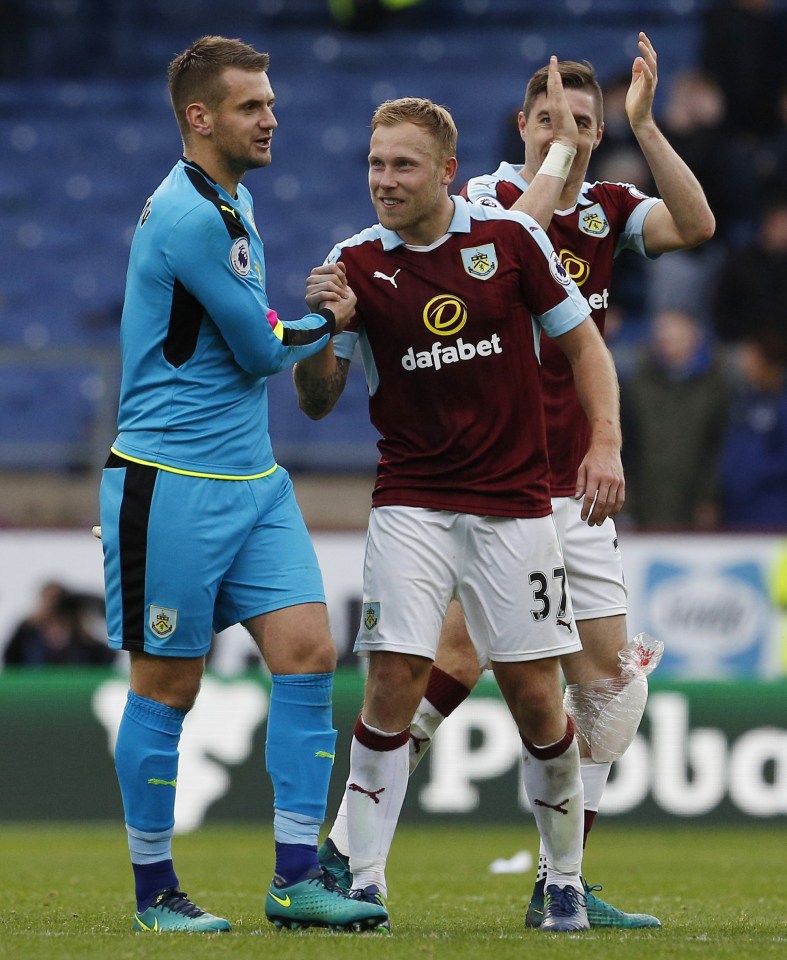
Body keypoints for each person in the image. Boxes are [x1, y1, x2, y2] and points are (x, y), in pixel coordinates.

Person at [316, 35, 714, 930]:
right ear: (519, 127)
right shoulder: (491, 200)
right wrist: (559, 160)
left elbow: (693, 227)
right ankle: (348, 850)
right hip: (486, 476)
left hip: (574, 482)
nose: (561, 135)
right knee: (445, 664)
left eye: (579, 123)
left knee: (608, 684)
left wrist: (644, 131)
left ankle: (556, 877)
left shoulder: (611, 209)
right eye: (546, 121)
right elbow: (509, 238)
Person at [294, 93, 626, 932]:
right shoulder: (354, 262)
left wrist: (605, 445)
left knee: (535, 700)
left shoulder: (507, 240)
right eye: (375, 164)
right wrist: (329, 332)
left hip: (515, 506)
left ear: (446, 172)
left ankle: (561, 878)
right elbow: (315, 404)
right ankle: (362, 880)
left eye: (402, 165)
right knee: (392, 679)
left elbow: (583, 343)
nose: (384, 181)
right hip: (409, 502)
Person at [97, 35, 387, 934]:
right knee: (168, 686)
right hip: (171, 481)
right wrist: (325, 317)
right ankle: (155, 895)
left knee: (307, 651)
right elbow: (261, 349)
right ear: (200, 117)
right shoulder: (188, 217)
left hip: (254, 479)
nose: (272, 116)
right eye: (252, 105)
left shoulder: (234, 200)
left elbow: (248, 332)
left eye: (269, 101)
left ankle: (296, 879)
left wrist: (290, 318)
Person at [621, 308, 731, 530]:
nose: (667, 339)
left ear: (694, 337)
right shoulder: (636, 386)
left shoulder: (717, 387)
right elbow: (626, 449)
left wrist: (709, 497)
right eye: (662, 334)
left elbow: (719, 447)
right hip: (645, 501)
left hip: (695, 504)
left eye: (675, 333)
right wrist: (625, 504)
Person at [718, 328, 787, 529]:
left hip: (771, 511)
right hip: (735, 509)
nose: (744, 362)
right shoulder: (741, 402)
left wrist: (753, 474)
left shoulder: (781, 404)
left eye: (750, 356)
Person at [3, 580, 114, 667]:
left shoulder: (79, 636)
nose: (54, 606)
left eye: (58, 599)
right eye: (49, 600)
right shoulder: (28, 633)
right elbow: (9, 659)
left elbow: (108, 659)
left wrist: (85, 631)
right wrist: (27, 625)